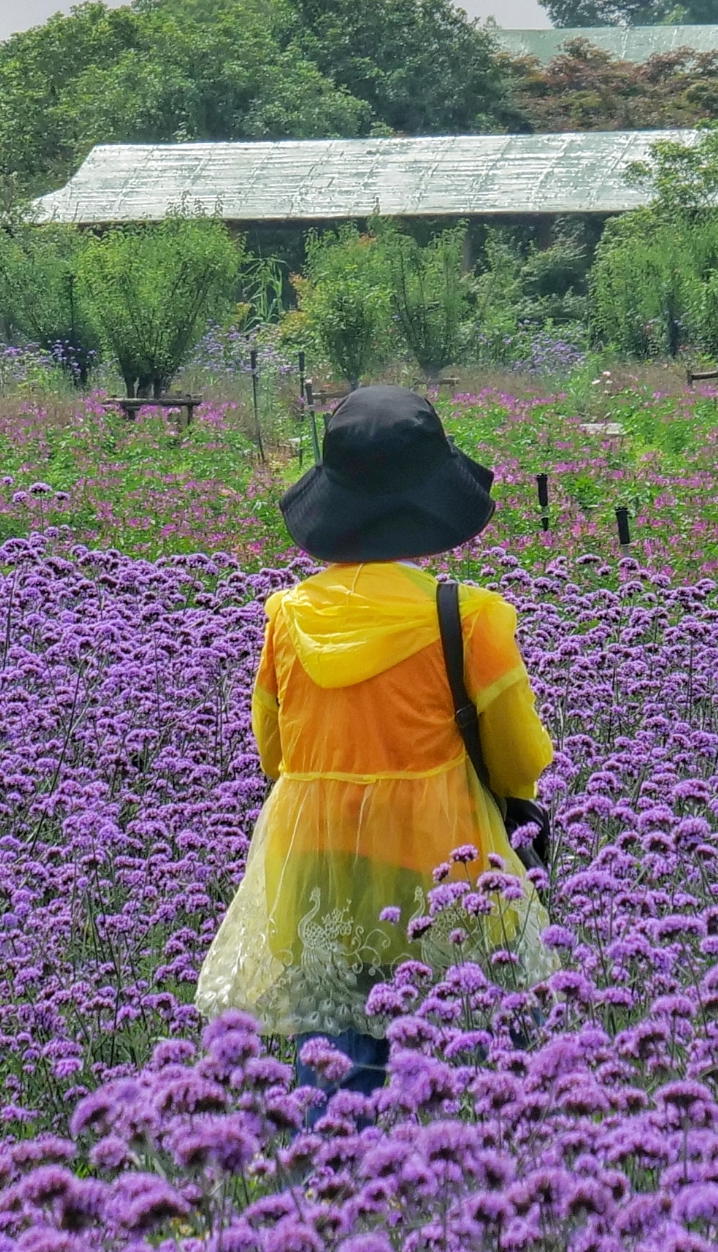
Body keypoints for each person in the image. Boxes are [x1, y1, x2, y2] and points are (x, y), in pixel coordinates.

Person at [196, 386, 559, 1109]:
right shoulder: (470, 619)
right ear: (432, 505)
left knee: (334, 1064)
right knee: (477, 1053)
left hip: (316, 867)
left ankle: (327, 1206)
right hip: (445, 868)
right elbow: (520, 762)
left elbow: (275, 756)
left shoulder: (286, 619)